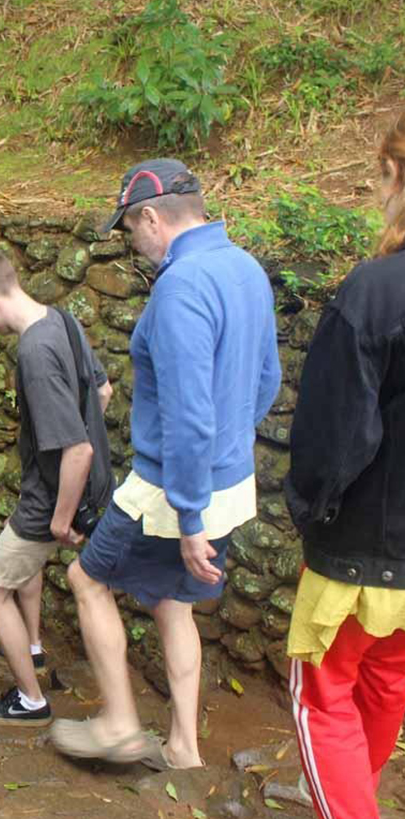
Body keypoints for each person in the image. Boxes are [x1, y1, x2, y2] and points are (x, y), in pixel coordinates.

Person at [52, 159, 281, 768]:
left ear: (152, 216)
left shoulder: (181, 287)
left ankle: (122, 726)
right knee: (172, 602)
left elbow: (187, 414)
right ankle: (182, 747)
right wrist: (225, 459)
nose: (134, 243)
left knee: (87, 580)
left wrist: (188, 514)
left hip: (170, 487)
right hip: (231, 482)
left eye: (131, 230)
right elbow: (266, 381)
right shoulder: (245, 268)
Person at [284, 112, 405, 819]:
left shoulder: (374, 291)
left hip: (359, 551)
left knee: (322, 697)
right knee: (387, 686)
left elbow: (334, 433)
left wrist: (310, 509)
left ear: (394, 176)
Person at [0, 247, 115, 727]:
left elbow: (77, 450)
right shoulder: (62, 319)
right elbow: (101, 392)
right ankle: (35, 648)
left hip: (51, 499)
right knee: (22, 561)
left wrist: (61, 518)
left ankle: (30, 700)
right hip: (85, 487)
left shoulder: (33, 352)